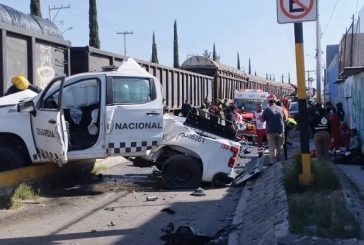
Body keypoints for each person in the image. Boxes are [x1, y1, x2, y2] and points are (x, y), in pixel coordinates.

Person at [261, 94, 286, 165]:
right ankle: (280, 160)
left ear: (268, 102)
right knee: (280, 146)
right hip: (280, 130)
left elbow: (262, 120)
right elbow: (285, 119)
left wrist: (260, 118)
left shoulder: (267, 109)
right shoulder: (281, 109)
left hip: (270, 131)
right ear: (275, 101)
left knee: (272, 146)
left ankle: (273, 161)